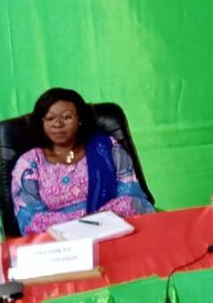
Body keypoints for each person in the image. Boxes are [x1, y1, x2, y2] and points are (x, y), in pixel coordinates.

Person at [10, 88, 155, 235]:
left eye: (67, 117)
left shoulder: (107, 148)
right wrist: (83, 223)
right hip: (59, 239)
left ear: (80, 119)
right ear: (41, 122)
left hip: (113, 231)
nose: (58, 124)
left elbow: (131, 198)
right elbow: (29, 219)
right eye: (50, 118)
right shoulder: (29, 164)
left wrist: (95, 221)